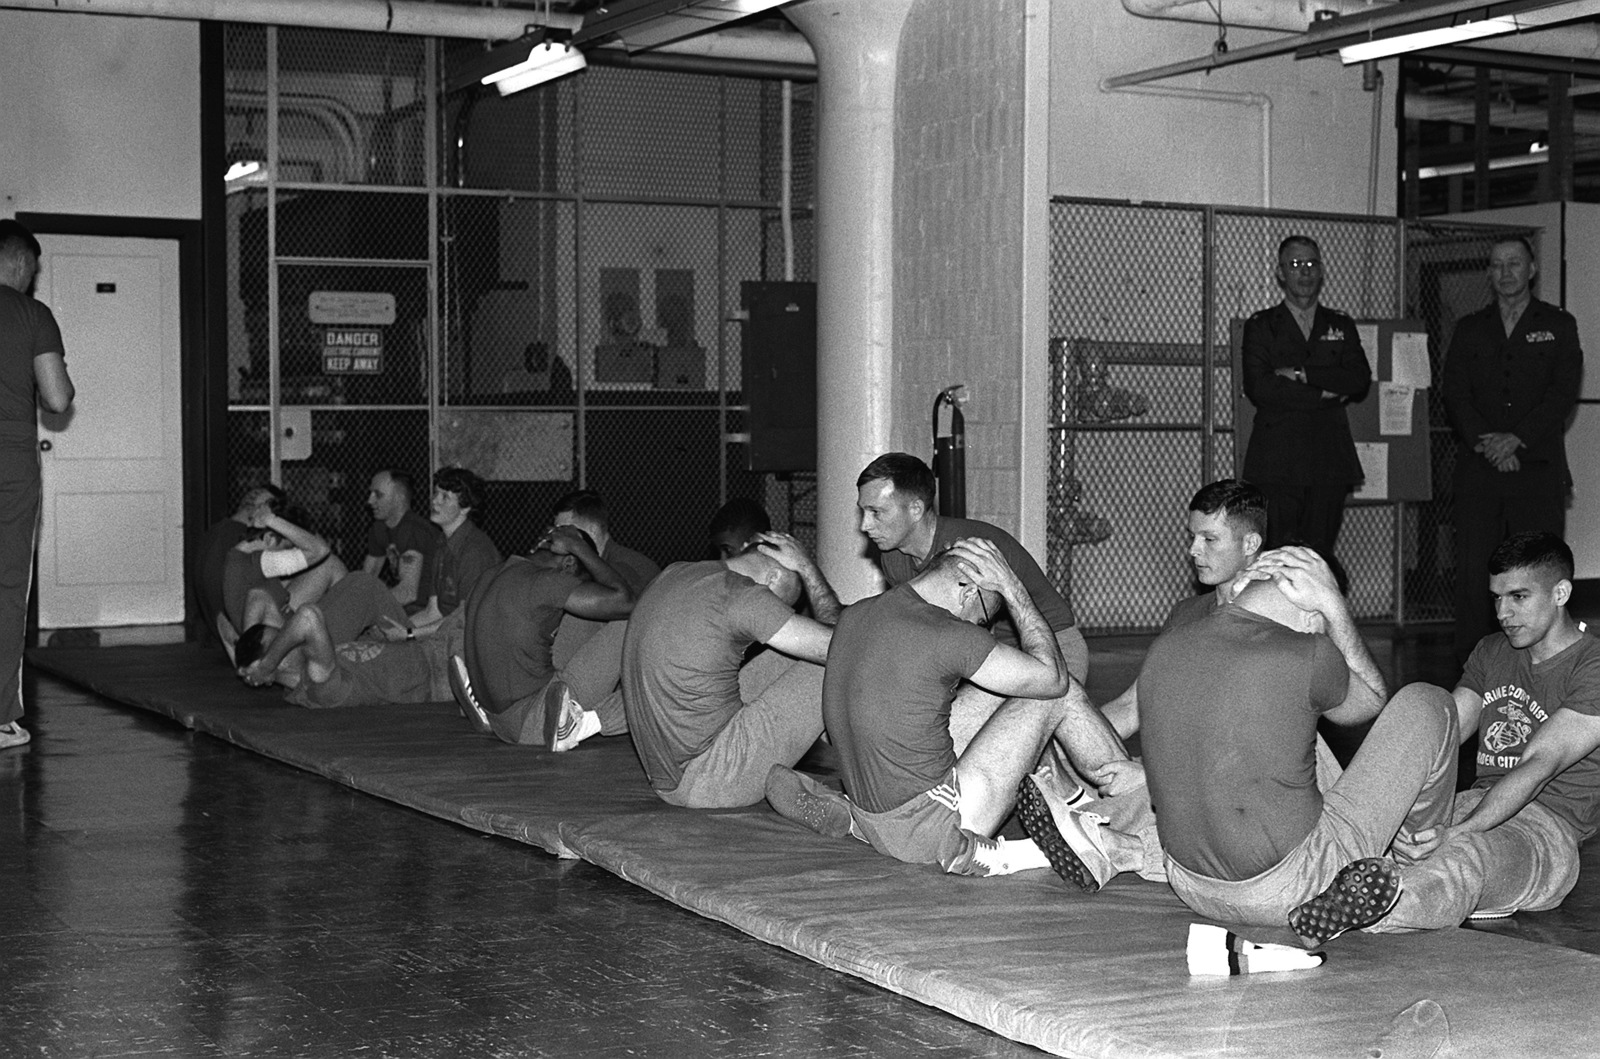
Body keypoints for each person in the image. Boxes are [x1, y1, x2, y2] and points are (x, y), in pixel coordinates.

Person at [766, 538, 1146, 881]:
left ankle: (861, 822)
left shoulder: (857, 614)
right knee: (1056, 693)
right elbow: (1053, 679)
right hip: (934, 822)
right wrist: (1014, 590)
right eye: (982, 619)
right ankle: (1134, 808)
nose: (979, 628)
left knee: (1006, 690)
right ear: (966, 590)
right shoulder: (948, 633)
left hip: (876, 807)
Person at [1138, 546, 1461, 948]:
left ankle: (1124, 847)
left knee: (1284, 729)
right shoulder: (1307, 651)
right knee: (1427, 702)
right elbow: (1373, 701)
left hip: (1188, 882)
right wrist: (1337, 611)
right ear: (1312, 614)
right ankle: (1415, 855)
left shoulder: (1165, 646)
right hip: (1289, 887)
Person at [1359, 532, 1600, 931]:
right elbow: (1443, 730)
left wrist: (1459, 831)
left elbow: (1540, 764)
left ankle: (1377, 907)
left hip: (1547, 831)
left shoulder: (1592, 664)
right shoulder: (1492, 650)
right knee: (1421, 709)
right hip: (1474, 804)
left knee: (1466, 856)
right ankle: (1342, 880)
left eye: (1518, 597)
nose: (1503, 612)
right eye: (1496, 598)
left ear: (1560, 593)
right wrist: (1382, 809)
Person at [856, 452, 1085, 752]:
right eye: (863, 511)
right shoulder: (893, 558)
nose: (864, 525)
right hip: (994, 655)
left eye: (876, 512)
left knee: (990, 746)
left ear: (915, 509)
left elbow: (964, 646)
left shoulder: (965, 552)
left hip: (1053, 650)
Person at [1441, 237, 1583, 666]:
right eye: (1497, 264)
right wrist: (1488, 441)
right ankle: (1474, 663)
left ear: (1532, 268)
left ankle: (1547, 658)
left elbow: (1562, 393)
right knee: (1474, 570)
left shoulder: (1558, 324)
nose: (1506, 272)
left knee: (1538, 566)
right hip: (1479, 466)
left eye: (1515, 263)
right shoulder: (1470, 327)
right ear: (1489, 272)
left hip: (1535, 465)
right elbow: (1454, 392)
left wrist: (1516, 438)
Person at [622, 531, 839, 809]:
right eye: (783, 604)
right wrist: (809, 568)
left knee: (784, 652)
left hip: (666, 775)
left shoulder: (676, 572)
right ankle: (871, 781)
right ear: (773, 578)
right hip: (712, 779)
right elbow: (839, 644)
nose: (779, 611)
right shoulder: (745, 597)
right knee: (838, 658)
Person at [1100, 479, 1266, 739]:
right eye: (1193, 537)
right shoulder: (1186, 613)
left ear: (1250, 545)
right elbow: (1132, 706)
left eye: (1209, 539)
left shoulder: (1280, 615)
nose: (1193, 550)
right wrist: (1059, 749)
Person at [1240, 235, 1371, 557]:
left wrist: (1303, 374)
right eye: (1296, 265)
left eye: (1311, 263)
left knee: (1319, 556)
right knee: (1276, 555)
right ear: (1281, 273)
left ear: (1322, 270)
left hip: (1328, 457)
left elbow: (1357, 380)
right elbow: (1261, 387)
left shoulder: (1340, 323)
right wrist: (1326, 393)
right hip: (1278, 460)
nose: (1305, 272)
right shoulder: (1261, 326)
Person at [454, 525, 636, 747]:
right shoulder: (547, 581)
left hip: (500, 719)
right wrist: (580, 548)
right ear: (569, 562)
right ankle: (582, 723)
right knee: (631, 622)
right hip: (541, 717)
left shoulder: (490, 575)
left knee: (585, 613)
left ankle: (480, 707)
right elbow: (626, 603)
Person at [0, 220, 74, 751]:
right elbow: (57, 399)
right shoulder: (32, 314)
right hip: (9, 466)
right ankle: (1, 719)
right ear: (23, 263)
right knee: (7, 590)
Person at [542, 489, 662, 747]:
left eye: (563, 531)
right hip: (609, 664)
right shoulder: (590, 563)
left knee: (580, 609)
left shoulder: (627, 566)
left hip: (643, 667)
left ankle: (548, 698)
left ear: (589, 532)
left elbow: (640, 622)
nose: (556, 539)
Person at [235, 583, 448, 710]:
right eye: (278, 642)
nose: (288, 639)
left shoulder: (322, 659)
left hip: (432, 647)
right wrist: (266, 666)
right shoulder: (317, 685)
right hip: (439, 674)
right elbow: (308, 617)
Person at [194, 482, 284, 650]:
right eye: (254, 492)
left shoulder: (219, 532)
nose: (254, 494)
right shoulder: (239, 538)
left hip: (224, 632)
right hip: (238, 633)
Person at [410, 466, 501, 629]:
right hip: (450, 632)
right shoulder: (442, 544)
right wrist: (404, 628)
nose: (435, 500)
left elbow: (465, 620)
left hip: (471, 639)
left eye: (445, 497)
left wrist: (409, 635)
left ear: (465, 508)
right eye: (436, 493)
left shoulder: (475, 552)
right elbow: (434, 611)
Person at [362, 469, 444, 615]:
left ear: (399, 498)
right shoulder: (379, 527)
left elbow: (407, 593)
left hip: (425, 609)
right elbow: (367, 577)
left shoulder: (413, 529)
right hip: (404, 607)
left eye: (378, 495)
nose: (370, 501)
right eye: (370, 493)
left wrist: (361, 606)